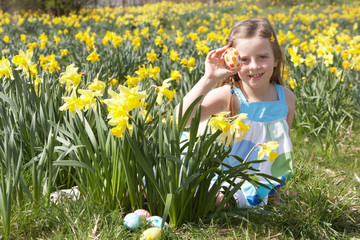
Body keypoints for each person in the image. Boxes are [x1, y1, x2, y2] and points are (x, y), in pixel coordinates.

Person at [178, 18, 295, 207]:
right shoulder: (228, 96)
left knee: (232, 201)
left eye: (262, 57)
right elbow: (182, 120)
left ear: (276, 60)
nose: (254, 66)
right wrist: (209, 78)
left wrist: (276, 189)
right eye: (244, 59)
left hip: (257, 180)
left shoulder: (286, 98)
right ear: (232, 62)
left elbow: (283, 147)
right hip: (217, 175)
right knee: (222, 200)